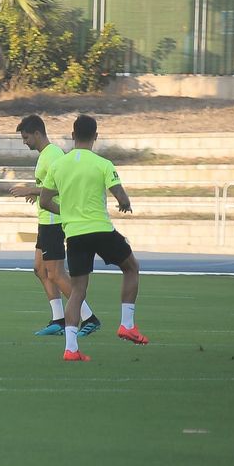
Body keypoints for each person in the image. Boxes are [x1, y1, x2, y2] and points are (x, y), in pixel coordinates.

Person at [39, 114, 147, 362]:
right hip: (100, 229)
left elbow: (44, 201)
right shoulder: (103, 164)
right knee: (131, 267)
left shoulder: (58, 165)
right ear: (96, 137)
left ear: (73, 135)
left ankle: (71, 349)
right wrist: (125, 203)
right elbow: (121, 195)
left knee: (77, 290)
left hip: (74, 233)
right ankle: (127, 324)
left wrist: (66, 212)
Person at [11, 114, 99, 337]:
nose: (24, 142)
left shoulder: (54, 155)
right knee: (39, 269)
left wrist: (30, 190)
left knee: (57, 273)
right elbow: (47, 186)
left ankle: (89, 317)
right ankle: (58, 320)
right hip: (44, 219)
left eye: (26, 137)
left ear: (38, 134)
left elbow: (62, 187)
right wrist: (36, 192)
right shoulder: (45, 155)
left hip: (54, 220)